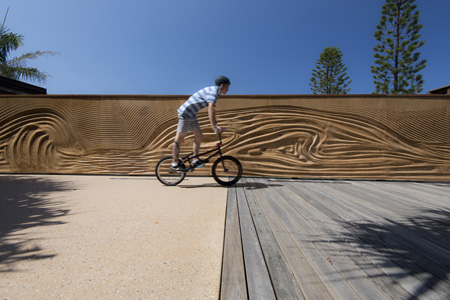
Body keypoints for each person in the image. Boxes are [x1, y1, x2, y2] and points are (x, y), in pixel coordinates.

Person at [170, 76, 230, 171]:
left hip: (192, 115)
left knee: (199, 135)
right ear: (221, 85)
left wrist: (216, 125)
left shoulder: (214, 92)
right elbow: (211, 109)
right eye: (227, 86)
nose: (228, 89)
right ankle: (174, 163)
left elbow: (212, 110)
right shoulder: (213, 91)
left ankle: (195, 159)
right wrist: (214, 127)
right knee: (180, 137)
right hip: (185, 113)